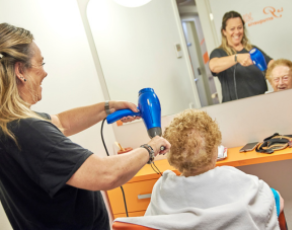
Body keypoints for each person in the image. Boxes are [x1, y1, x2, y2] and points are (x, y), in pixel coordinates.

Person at [0, 23, 171, 230]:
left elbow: (62, 122)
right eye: (40, 63)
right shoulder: (28, 130)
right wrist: (152, 147)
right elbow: (106, 174)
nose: (45, 73)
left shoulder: (8, 125)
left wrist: (108, 107)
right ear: (20, 71)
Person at [114, 109, 284, 229]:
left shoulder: (162, 188)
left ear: (172, 155)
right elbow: (273, 202)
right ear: (214, 149)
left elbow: (150, 224)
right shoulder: (235, 179)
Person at [209, 11, 274, 103]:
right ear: (224, 31)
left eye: (240, 28)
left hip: (262, 103)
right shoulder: (219, 52)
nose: (237, 32)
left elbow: (272, 65)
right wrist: (237, 58)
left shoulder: (252, 49)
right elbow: (213, 66)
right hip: (235, 108)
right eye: (232, 29)